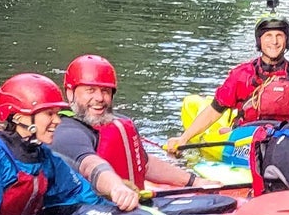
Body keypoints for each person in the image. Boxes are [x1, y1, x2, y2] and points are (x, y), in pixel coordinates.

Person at [0, 73, 122, 215]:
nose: (58, 121)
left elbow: (78, 193)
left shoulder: (42, 154)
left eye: (57, 114)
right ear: (19, 117)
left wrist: (112, 211)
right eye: (49, 114)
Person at [164, 8, 289, 155]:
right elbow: (215, 110)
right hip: (246, 140)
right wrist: (184, 138)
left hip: (288, 138)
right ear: (259, 40)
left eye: (279, 36)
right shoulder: (242, 75)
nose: (274, 41)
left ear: (287, 40)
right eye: (268, 35)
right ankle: (231, 131)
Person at [53, 54, 198, 191]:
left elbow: (144, 165)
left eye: (105, 91)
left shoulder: (116, 122)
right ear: (70, 93)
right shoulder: (66, 132)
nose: (99, 98)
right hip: (93, 209)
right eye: (90, 90)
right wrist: (117, 189)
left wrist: (193, 181)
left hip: (129, 202)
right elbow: (90, 166)